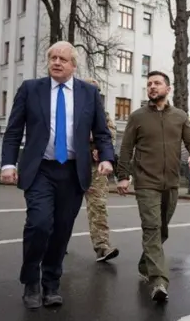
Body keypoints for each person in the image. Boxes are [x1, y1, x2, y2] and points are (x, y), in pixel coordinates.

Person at [0, 41, 115, 310]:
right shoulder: (31, 89)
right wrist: (8, 163)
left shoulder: (89, 93)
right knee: (39, 224)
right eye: (52, 57)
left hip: (73, 172)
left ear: (73, 65)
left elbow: (102, 132)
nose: (57, 62)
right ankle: (31, 281)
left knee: (61, 231)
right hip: (41, 169)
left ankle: (51, 283)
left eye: (63, 58)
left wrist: (107, 158)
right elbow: (14, 130)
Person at [116, 70, 190, 302]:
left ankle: (145, 264)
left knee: (162, 228)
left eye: (157, 83)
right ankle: (159, 281)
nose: (152, 87)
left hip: (171, 182)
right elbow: (126, 149)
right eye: (149, 84)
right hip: (146, 182)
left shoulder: (180, 116)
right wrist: (123, 175)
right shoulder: (138, 117)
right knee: (152, 227)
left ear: (168, 88)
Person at [83, 78, 119, 262]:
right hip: (70, 166)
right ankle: (56, 242)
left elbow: (110, 133)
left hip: (95, 168)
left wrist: (99, 145)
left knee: (98, 206)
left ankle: (102, 247)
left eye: (96, 91)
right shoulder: (70, 110)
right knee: (62, 208)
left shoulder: (102, 114)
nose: (93, 94)